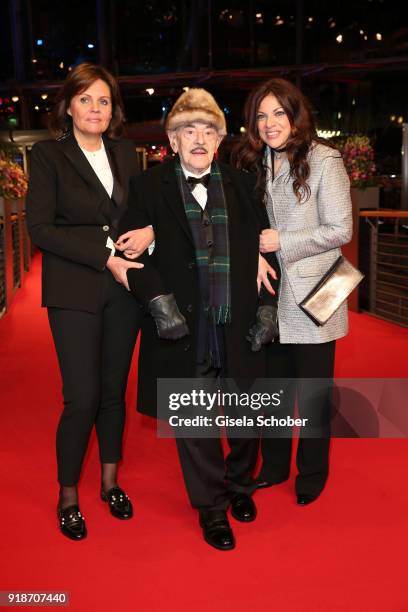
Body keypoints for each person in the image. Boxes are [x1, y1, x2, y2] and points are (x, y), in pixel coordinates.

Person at [118, 88, 280, 550]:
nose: (199, 138)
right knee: (195, 422)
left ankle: (240, 485)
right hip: (183, 323)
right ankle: (211, 508)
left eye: (209, 131)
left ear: (219, 139)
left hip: (238, 317)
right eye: (189, 130)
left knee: (247, 415)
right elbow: (128, 253)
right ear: (172, 140)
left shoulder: (244, 184)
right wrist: (156, 300)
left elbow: (267, 248)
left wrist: (268, 306)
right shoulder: (149, 187)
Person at [26, 63, 154, 540]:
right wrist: (105, 258)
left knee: (113, 394)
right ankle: (67, 494)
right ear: (69, 106)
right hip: (74, 289)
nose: (95, 108)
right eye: (86, 100)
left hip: (124, 292)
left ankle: (110, 482)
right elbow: (40, 228)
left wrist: (149, 231)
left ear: (113, 108)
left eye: (103, 100)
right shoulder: (47, 155)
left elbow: (141, 212)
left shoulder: (126, 151)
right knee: (81, 397)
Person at [232, 78, 352, 505]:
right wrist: (253, 252)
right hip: (269, 296)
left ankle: (313, 473)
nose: (269, 124)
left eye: (278, 113)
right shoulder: (252, 162)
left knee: (314, 393)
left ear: (295, 114)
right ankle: (276, 465)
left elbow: (341, 229)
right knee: (275, 390)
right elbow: (244, 225)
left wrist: (284, 240)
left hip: (317, 293)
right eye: (261, 116)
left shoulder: (324, 159)